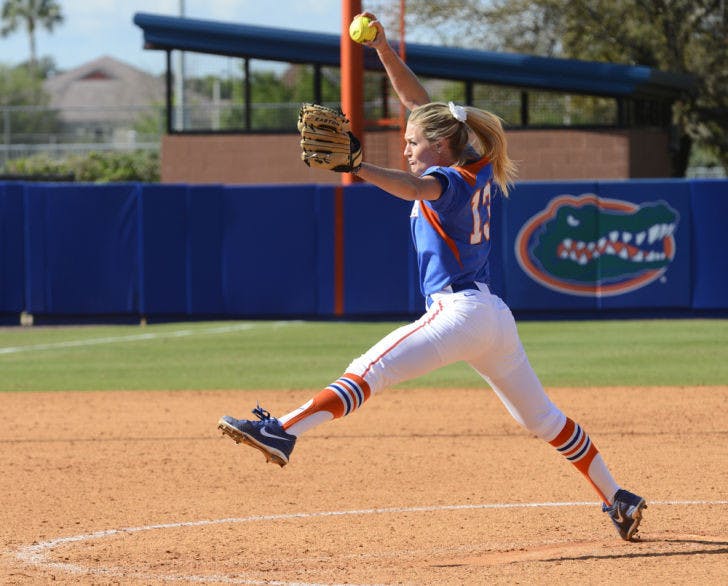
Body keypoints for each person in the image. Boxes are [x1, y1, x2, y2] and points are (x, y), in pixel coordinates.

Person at [218, 12, 646, 541]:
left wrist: (360, 166)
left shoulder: (445, 179)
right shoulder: (477, 161)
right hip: (493, 317)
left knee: (367, 369)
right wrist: (380, 48)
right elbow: (421, 106)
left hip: (458, 313)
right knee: (543, 421)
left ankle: (281, 431)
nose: (407, 147)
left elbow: (412, 185)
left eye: (413, 143)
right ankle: (618, 497)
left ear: (440, 148)